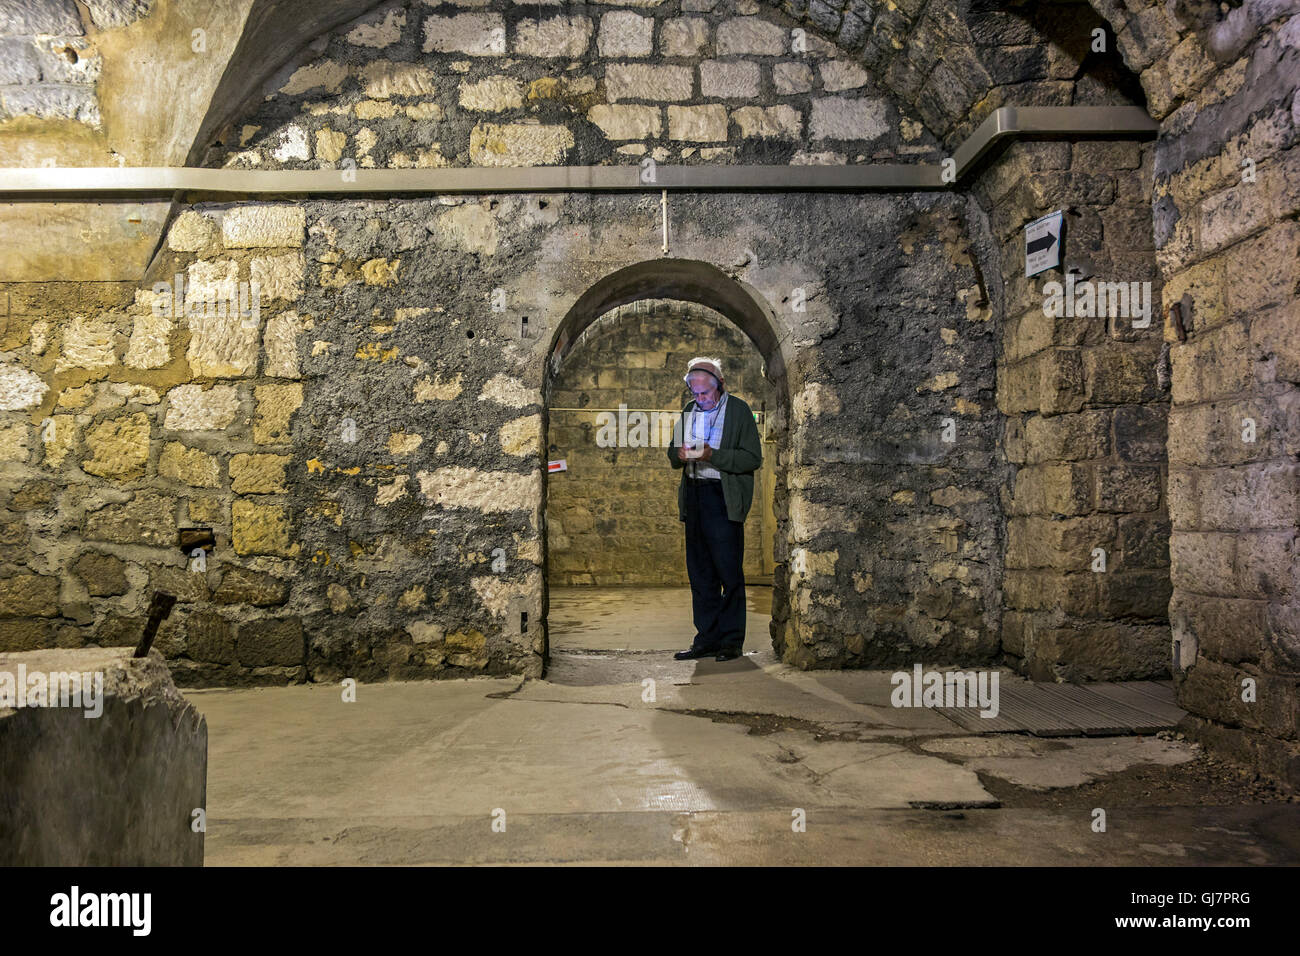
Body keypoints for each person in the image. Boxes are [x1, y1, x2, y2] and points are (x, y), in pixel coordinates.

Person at [666, 357, 763, 662]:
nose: (700, 399)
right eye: (695, 394)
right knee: (700, 572)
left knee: (728, 571)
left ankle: (731, 641)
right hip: (695, 496)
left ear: (720, 386)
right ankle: (706, 638)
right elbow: (672, 453)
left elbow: (751, 458)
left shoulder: (739, 411)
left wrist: (712, 456)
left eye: (705, 394)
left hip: (722, 497)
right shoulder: (688, 412)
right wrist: (680, 454)